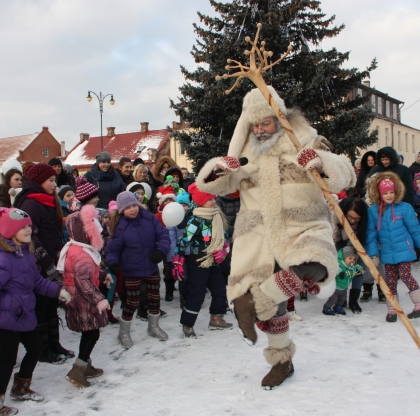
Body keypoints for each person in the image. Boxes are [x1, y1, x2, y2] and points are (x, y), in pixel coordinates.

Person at [196, 86, 355, 389]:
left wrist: (320, 163)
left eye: (265, 123)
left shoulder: (306, 139)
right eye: (254, 125)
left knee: (315, 265)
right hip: (258, 236)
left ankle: (256, 301)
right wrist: (218, 170)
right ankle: (282, 361)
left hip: (304, 227)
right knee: (276, 309)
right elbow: (211, 186)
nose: (259, 130)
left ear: (280, 118)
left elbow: (346, 173)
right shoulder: (245, 154)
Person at [0, 207, 72, 416]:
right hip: (9, 317)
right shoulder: (3, 260)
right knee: (7, 360)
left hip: (23, 314)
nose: (29, 229)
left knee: (35, 347)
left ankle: (21, 387)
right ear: (9, 231)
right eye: (23, 227)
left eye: (29, 225)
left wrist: (58, 291)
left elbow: (36, 281)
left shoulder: (24, 253)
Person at [14, 163, 73, 364]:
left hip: (52, 260)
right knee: (41, 306)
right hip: (38, 265)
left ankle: (54, 344)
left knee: (51, 305)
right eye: (50, 180)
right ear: (39, 181)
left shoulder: (46, 201)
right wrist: (47, 262)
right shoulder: (30, 204)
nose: (54, 185)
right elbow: (30, 238)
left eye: (55, 180)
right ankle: (42, 349)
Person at [106, 191, 170, 348]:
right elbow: (112, 249)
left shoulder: (149, 219)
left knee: (154, 298)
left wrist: (161, 250)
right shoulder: (120, 226)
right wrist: (112, 262)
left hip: (151, 266)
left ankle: (153, 327)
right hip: (131, 269)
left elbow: (163, 235)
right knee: (132, 301)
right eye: (128, 207)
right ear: (121, 210)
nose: (133, 209)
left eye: (134, 205)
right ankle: (124, 332)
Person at [365, 172, 420, 322]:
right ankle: (392, 308)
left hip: (404, 249)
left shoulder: (404, 208)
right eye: (385, 193)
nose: (389, 196)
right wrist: (373, 254)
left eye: (391, 192)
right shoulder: (373, 211)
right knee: (390, 281)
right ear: (379, 194)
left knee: (406, 275)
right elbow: (371, 234)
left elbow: (414, 228)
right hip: (387, 252)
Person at [58, 205, 110, 388]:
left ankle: (86, 366)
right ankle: (78, 370)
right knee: (92, 333)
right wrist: (100, 299)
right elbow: (83, 282)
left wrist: (103, 275)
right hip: (84, 300)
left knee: (90, 332)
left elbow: (89, 272)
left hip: (78, 298)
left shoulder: (76, 248)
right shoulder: (82, 255)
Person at [174, 183, 232, 338]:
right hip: (198, 263)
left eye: (213, 198)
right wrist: (178, 258)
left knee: (220, 290)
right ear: (200, 201)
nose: (213, 202)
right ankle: (187, 324)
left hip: (213, 262)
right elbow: (183, 240)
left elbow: (224, 237)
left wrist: (224, 248)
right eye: (209, 199)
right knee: (196, 295)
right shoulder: (196, 221)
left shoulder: (216, 216)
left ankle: (216, 318)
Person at [331, 197, 383, 311]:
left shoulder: (367, 218)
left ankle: (354, 300)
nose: (353, 220)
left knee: (359, 270)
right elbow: (336, 235)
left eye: (356, 218)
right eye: (350, 217)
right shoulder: (337, 213)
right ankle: (341, 298)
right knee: (343, 271)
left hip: (360, 244)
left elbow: (370, 236)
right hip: (342, 243)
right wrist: (340, 253)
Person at [322, 244, 363, 315]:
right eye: (350, 258)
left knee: (342, 299)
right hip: (335, 288)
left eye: (354, 259)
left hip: (344, 288)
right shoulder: (339, 264)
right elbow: (335, 268)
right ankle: (326, 308)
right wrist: (340, 273)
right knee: (333, 299)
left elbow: (358, 268)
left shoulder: (353, 267)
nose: (352, 261)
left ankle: (338, 307)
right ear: (344, 258)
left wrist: (359, 272)